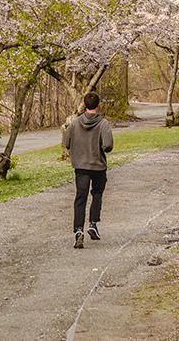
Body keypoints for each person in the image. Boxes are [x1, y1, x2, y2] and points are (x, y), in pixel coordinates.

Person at [63, 91, 114, 249]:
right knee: (97, 194)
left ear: (84, 105)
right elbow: (108, 146)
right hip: (98, 166)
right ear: (98, 105)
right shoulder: (103, 124)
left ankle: (79, 230)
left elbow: (67, 143)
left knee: (80, 198)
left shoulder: (75, 123)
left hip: (80, 166)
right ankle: (93, 224)